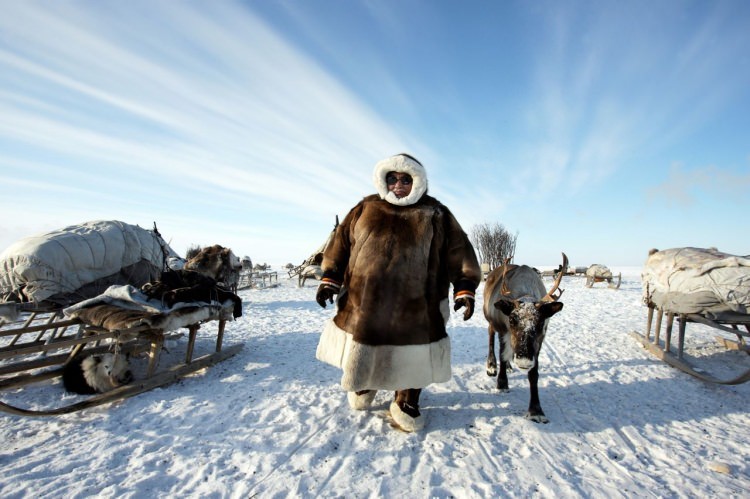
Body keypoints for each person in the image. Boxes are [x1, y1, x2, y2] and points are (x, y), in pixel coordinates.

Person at [314, 153, 481, 432]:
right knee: (366, 345)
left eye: (406, 179)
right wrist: (330, 276)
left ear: (418, 181)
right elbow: (340, 244)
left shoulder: (436, 214)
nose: (399, 184)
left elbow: (459, 252)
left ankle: (407, 398)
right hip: (365, 300)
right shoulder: (365, 208)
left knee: (412, 353)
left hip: (417, 304)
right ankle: (364, 382)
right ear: (384, 180)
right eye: (392, 178)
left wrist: (464, 287)